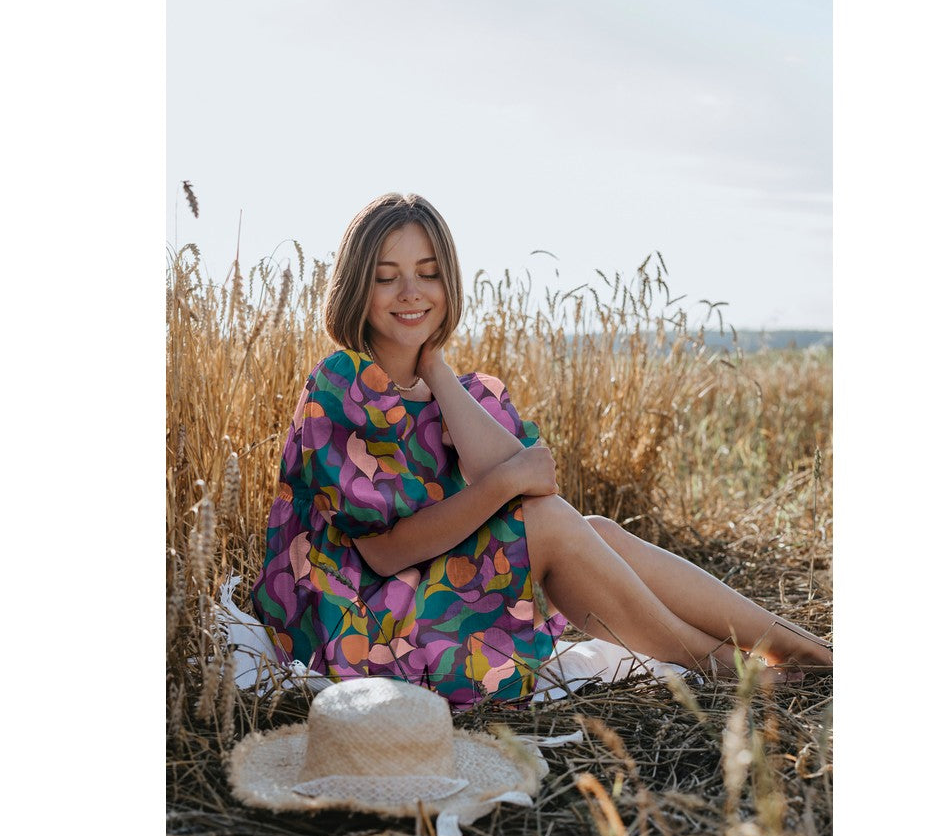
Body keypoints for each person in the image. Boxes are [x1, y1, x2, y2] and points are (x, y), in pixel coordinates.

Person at [251, 193, 833, 709]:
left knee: (598, 530)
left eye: (428, 273)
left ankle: (797, 646)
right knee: (550, 522)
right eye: (387, 277)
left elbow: (537, 483)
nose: (411, 292)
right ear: (357, 286)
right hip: (361, 625)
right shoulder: (341, 384)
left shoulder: (464, 394)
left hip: (432, 597)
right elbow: (386, 553)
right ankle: (715, 662)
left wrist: (437, 370)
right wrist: (505, 484)